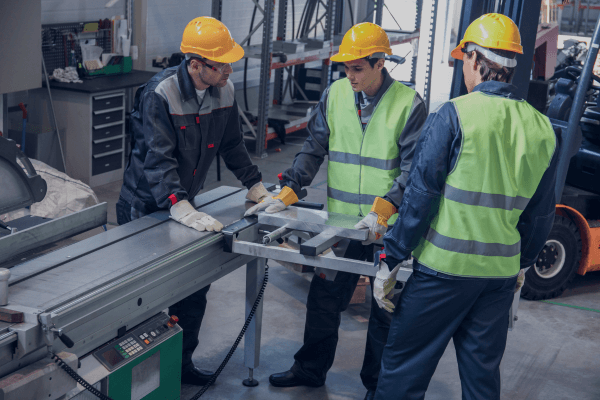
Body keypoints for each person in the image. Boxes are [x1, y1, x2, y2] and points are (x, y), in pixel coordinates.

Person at [373, 13, 560, 400]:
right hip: (498, 279)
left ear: (475, 59)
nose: (463, 69)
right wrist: (523, 262)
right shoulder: (543, 128)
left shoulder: (454, 114)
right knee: (481, 378)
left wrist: (392, 255)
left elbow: (420, 196)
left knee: (403, 372)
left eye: (463, 60)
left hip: (444, 272)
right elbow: (541, 213)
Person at [245, 22, 427, 400]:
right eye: (346, 67)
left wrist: (384, 210)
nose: (350, 75)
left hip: (385, 227)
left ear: (380, 63)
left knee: (383, 306)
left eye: (358, 68)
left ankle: (377, 387)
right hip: (342, 224)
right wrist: (291, 188)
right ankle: (311, 369)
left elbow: (414, 170)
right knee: (324, 299)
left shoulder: (410, 105)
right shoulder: (335, 95)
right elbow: (314, 147)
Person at [116, 16, 272, 386]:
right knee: (142, 298)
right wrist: (178, 203)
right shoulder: (160, 93)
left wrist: (255, 185)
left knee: (193, 286)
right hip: (144, 205)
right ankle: (140, 379)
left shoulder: (224, 92)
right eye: (223, 65)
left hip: (185, 202)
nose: (230, 71)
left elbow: (232, 145)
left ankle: (181, 366)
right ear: (196, 64)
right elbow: (158, 158)